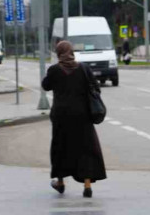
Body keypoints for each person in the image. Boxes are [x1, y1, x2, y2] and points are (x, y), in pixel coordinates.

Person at [42, 41, 107, 198]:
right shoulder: (84, 69)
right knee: (86, 148)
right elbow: (96, 88)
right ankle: (87, 185)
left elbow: (46, 86)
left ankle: (60, 182)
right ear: (72, 52)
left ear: (58, 54)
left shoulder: (54, 70)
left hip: (61, 116)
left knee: (61, 147)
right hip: (82, 115)